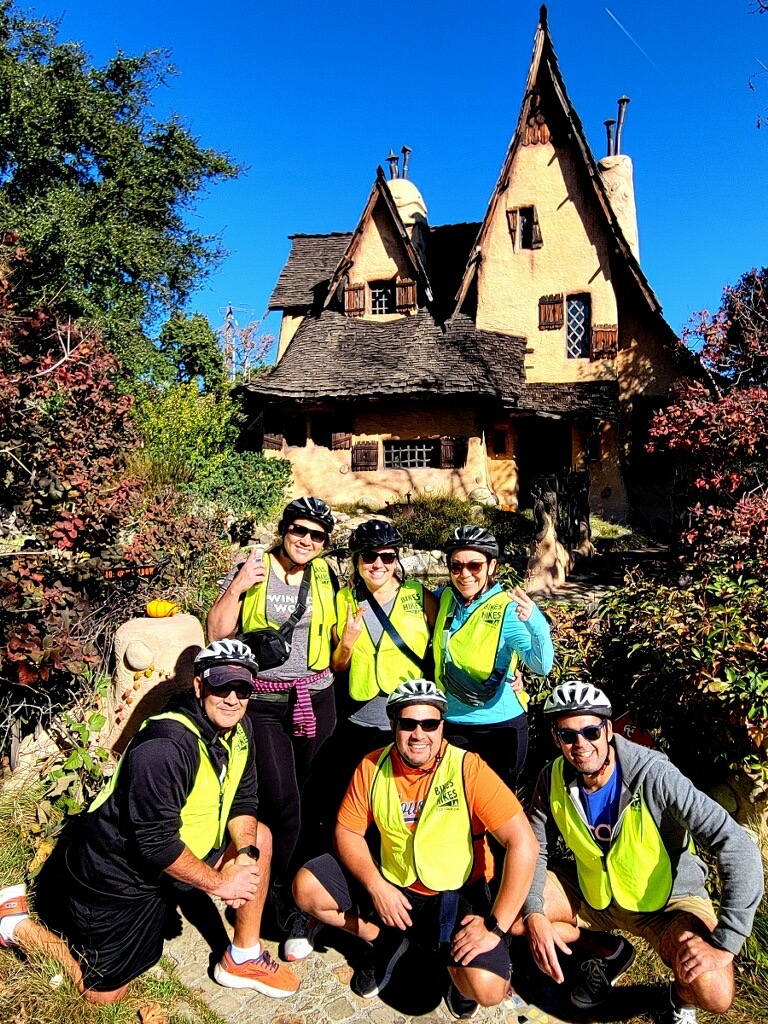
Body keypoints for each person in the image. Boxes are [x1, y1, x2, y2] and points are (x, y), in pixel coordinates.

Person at [16, 640, 299, 1002]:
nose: (232, 698)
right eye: (220, 686)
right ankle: (17, 924)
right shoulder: (166, 745)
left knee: (260, 837)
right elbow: (155, 843)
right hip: (115, 875)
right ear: (199, 686)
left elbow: (244, 799)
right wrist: (221, 884)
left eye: (241, 689)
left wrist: (244, 854)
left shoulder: (238, 732)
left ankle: (243, 957)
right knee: (102, 995)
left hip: (169, 860)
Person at [513, 681, 765, 1023]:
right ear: (556, 738)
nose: (581, 745)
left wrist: (727, 942)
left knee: (715, 992)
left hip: (666, 905)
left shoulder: (654, 775)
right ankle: (608, 952)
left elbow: (735, 844)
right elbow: (535, 849)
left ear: (608, 729)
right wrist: (534, 914)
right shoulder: (552, 777)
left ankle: (676, 1001)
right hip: (597, 896)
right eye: (568, 735)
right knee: (515, 915)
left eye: (590, 731)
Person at [292, 679, 539, 1020]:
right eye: (408, 723)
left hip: (456, 893)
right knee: (307, 887)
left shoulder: (468, 767)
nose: (418, 734)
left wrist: (495, 926)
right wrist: (376, 886)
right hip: (396, 887)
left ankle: (455, 970)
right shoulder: (372, 766)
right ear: (393, 725)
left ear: (442, 726)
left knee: (488, 989)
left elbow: (523, 842)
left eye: (430, 724)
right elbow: (347, 831)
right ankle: (385, 941)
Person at [206, 496, 338, 954]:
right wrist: (238, 586)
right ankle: (280, 892)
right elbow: (217, 632)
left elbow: (344, 626)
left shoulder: (326, 573)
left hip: (318, 697)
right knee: (281, 800)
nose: (306, 541)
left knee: (314, 795)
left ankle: (307, 885)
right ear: (284, 530)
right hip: (263, 701)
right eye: (298, 530)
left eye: (317, 535)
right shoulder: (255, 566)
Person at [434, 525, 554, 787]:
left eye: (475, 566)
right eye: (456, 566)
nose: (465, 574)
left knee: (499, 814)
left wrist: (537, 623)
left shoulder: (508, 610)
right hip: (452, 723)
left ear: (492, 567)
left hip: (501, 727)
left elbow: (542, 665)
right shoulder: (444, 598)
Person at [332, 518, 438, 759]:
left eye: (388, 557)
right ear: (357, 560)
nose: (378, 564)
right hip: (358, 716)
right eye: (369, 556)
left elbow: (450, 641)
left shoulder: (420, 595)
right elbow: (338, 665)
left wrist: (510, 672)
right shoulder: (343, 599)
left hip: (409, 718)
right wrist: (347, 643)